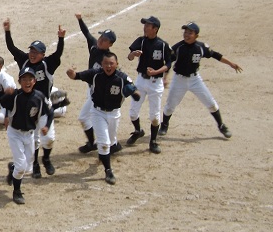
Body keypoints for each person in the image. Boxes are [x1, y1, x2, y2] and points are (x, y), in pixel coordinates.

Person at [66, 52, 141, 185]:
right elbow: (76, 76)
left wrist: (133, 93)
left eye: (111, 63)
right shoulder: (95, 74)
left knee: (111, 142)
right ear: (102, 64)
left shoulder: (122, 78)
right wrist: (71, 73)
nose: (108, 66)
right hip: (97, 112)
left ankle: (109, 149)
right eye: (106, 63)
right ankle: (108, 170)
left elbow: (136, 92)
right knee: (104, 142)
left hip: (114, 114)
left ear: (116, 64)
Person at [3, 18, 64, 178]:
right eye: (31, 51)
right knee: (35, 139)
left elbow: (58, 53)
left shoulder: (48, 64)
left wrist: (61, 38)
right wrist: (7, 31)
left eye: (36, 52)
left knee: (49, 138)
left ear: (43, 54)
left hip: (44, 105)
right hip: (28, 106)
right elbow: (11, 48)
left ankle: (46, 159)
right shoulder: (24, 60)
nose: (32, 54)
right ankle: (35, 164)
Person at [159, 22, 242, 139]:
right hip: (179, 80)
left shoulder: (201, 47)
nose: (186, 35)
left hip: (195, 79)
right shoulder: (178, 47)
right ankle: (164, 125)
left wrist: (231, 64)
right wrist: (165, 77)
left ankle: (221, 125)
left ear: (196, 36)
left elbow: (216, 55)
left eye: (190, 33)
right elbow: (169, 62)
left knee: (211, 103)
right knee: (170, 106)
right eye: (185, 32)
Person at [0, 67, 53, 204]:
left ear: (34, 81)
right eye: (24, 79)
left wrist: (47, 126)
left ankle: (13, 168)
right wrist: (5, 92)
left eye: (30, 79)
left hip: (30, 134)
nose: (27, 82)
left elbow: (50, 113)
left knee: (28, 167)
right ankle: (17, 191)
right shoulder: (15, 95)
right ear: (19, 81)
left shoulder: (39, 97)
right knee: (21, 166)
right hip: (15, 133)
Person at [126, 16, 172, 154]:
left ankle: (153, 141)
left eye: (148, 25)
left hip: (155, 83)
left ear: (155, 29)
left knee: (154, 117)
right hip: (141, 80)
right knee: (133, 113)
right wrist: (133, 54)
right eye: (144, 25)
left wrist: (157, 72)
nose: (145, 27)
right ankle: (138, 131)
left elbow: (168, 64)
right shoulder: (141, 41)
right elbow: (129, 57)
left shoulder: (163, 45)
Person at [74, 13, 119, 154]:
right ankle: (105, 143)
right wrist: (80, 20)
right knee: (92, 117)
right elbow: (86, 33)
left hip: (98, 91)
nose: (100, 40)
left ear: (110, 44)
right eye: (101, 37)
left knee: (84, 117)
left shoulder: (108, 60)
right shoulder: (94, 46)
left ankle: (99, 143)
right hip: (91, 89)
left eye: (104, 40)